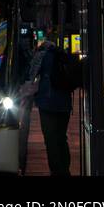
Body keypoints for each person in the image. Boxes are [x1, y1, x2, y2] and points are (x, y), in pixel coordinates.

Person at [29, 37, 73, 176]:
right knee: (61, 137)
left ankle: (56, 171)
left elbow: (31, 74)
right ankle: (65, 170)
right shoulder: (64, 55)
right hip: (65, 104)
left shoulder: (42, 55)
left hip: (47, 103)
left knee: (50, 139)